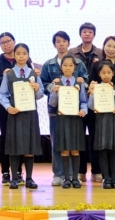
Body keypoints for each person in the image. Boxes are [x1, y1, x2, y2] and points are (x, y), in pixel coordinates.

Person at [40, 31, 88, 186]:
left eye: (64, 41)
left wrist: (83, 82)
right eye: (58, 41)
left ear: (68, 43)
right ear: (54, 44)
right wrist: (53, 88)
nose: (61, 44)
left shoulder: (79, 63)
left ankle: (73, 175)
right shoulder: (48, 64)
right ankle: (59, 174)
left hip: (75, 113)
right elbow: (43, 85)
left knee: (74, 145)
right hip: (56, 111)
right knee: (57, 143)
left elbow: (85, 83)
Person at [0, 43, 45, 189]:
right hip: (15, 114)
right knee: (14, 146)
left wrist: (37, 89)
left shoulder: (34, 74)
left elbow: (40, 94)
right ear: (14, 55)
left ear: (28, 55)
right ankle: (14, 178)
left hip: (30, 114)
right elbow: (2, 94)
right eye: (18, 53)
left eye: (24, 53)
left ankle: (29, 178)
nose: (21, 56)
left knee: (30, 146)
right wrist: (8, 107)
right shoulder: (9, 74)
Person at [91, 36, 115, 185]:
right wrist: (92, 93)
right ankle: (106, 178)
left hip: (114, 121)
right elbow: (90, 106)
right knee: (102, 149)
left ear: (113, 74)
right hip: (101, 121)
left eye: (109, 72)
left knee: (114, 149)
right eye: (103, 73)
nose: (106, 75)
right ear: (99, 74)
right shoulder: (97, 89)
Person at [68, 22, 103, 182]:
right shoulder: (72, 53)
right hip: (78, 101)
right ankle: (80, 171)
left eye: (90, 32)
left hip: (96, 102)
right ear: (80, 34)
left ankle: (96, 170)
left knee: (96, 136)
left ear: (94, 34)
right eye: (84, 32)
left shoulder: (100, 53)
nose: (87, 34)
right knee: (79, 136)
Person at [0, 32, 24, 185]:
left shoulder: (22, 58)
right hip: (4, 106)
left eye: (8, 41)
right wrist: (4, 77)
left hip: (21, 104)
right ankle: (5, 172)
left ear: (14, 41)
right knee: (5, 137)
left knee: (19, 138)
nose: (6, 44)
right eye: (2, 42)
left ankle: (19, 171)